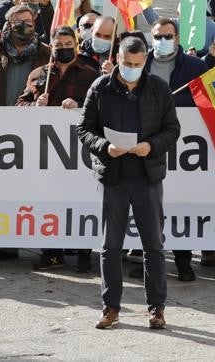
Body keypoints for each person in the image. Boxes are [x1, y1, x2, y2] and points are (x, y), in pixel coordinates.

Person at [77, 34, 181, 330]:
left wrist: (152, 146)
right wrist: (103, 146)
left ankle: (157, 309)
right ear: (118, 59)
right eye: (125, 63)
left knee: (154, 246)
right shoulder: (101, 87)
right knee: (110, 246)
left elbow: (172, 129)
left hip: (148, 177)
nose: (131, 68)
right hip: (113, 177)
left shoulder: (159, 88)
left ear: (145, 60)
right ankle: (110, 308)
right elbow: (83, 129)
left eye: (136, 64)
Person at [18, 26, 100, 273]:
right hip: (46, 152)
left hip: (79, 153)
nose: (63, 48)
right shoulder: (38, 74)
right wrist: (34, 105)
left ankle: (84, 254)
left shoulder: (90, 75)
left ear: (76, 45)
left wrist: (80, 105)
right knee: (49, 200)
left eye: (68, 43)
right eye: (59, 44)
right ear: (51, 47)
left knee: (81, 198)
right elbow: (19, 104)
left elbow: (100, 107)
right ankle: (52, 254)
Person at [141, 18, 208, 281]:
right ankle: (149, 262)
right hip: (147, 143)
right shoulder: (140, 63)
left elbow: (204, 102)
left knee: (180, 202)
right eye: (157, 36)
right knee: (149, 204)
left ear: (177, 38)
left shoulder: (195, 66)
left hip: (185, 147)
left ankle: (183, 260)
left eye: (167, 36)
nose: (162, 41)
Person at [0, 5, 51, 107]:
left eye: (28, 21)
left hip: (32, 115)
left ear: (34, 23)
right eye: (18, 22)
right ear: (9, 25)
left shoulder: (46, 53)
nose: (24, 25)